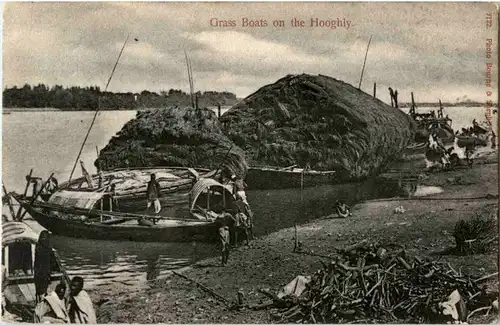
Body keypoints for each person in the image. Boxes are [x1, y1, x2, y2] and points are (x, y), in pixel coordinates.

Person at [34, 231, 52, 303]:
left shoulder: (38, 247)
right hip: (42, 272)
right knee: (42, 290)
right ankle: (41, 300)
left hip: (40, 272)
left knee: (40, 290)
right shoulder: (47, 249)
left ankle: (40, 300)